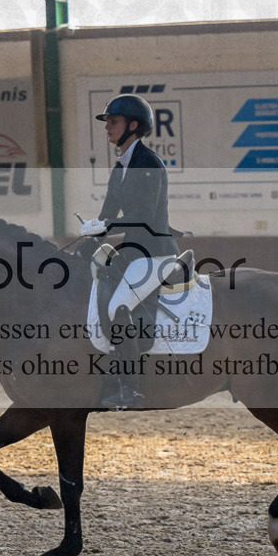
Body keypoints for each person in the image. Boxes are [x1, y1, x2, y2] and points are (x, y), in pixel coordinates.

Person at [81, 94, 179, 410]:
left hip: (156, 253)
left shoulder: (148, 163)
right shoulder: (120, 167)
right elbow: (109, 212)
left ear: (133, 126)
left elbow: (145, 215)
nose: (107, 127)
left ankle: (128, 388)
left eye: (114, 121)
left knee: (120, 305)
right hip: (133, 253)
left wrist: (105, 227)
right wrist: (89, 237)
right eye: (107, 122)